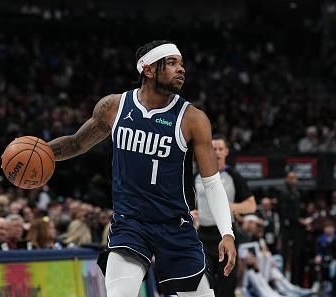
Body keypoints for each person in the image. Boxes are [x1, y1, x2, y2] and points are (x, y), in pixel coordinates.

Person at [47, 40, 236, 297]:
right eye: (171, 63)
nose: (181, 69)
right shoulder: (114, 107)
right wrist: (42, 153)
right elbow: (76, 143)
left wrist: (227, 232)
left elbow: (212, 182)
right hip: (130, 223)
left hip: (175, 225)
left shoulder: (192, 118)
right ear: (148, 69)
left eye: (181, 63)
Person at [194, 135, 256, 297]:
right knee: (204, 281)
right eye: (213, 149)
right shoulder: (196, 176)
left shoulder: (233, 176)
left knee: (226, 283)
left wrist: (227, 206)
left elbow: (251, 204)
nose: (217, 152)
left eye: (220, 149)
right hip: (202, 236)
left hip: (226, 235)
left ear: (226, 152)